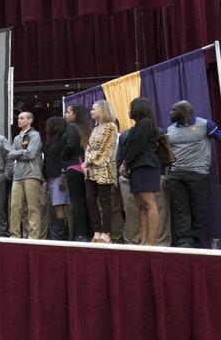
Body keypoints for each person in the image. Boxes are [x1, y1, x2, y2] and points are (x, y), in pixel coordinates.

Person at [167, 100, 221, 248]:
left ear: (184, 112)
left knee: (198, 209)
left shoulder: (205, 125)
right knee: (180, 209)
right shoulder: (170, 129)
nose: (170, 113)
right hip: (176, 175)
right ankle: (184, 243)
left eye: (173, 110)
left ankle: (194, 241)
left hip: (198, 174)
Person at [119, 98, 160, 245]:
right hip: (137, 167)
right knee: (141, 206)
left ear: (139, 108)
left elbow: (137, 146)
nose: (129, 111)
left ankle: (150, 241)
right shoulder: (138, 125)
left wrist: (125, 163)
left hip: (146, 166)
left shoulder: (145, 123)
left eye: (131, 108)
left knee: (149, 203)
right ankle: (143, 241)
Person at [83, 100, 118, 243]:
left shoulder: (111, 127)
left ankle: (107, 232)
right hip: (91, 170)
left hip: (104, 169)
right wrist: (87, 161)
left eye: (93, 109)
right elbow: (89, 148)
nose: (91, 111)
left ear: (102, 110)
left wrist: (89, 159)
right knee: (90, 200)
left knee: (104, 201)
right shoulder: (95, 128)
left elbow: (106, 150)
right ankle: (97, 231)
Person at [8, 112, 45, 239]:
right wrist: (22, 151)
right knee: (14, 207)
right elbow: (10, 155)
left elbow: (30, 154)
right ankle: (15, 235)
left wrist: (17, 153)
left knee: (32, 207)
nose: (19, 120)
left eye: (22, 118)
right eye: (18, 118)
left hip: (32, 174)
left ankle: (33, 237)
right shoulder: (17, 137)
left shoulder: (35, 135)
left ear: (30, 121)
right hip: (17, 176)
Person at [62, 104, 93, 241]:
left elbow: (69, 145)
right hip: (85, 168)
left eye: (68, 112)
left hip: (73, 167)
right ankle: (89, 232)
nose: (66, 115)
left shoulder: (70, 128)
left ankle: (80, 235)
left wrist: (62, 155)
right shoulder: (87, 129)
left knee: (77, 202)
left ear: (75, 114)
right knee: (86, 202)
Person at [42, 116, 71, 240]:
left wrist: (62, 176)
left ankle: (61, 235)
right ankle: (56, 233)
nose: (47, 128)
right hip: (51, 176)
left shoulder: (62, 142)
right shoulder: (51, 142)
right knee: (54, 206)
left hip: (59, 176)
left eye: (49, 125)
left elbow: (64, 160)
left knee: (60, 205)